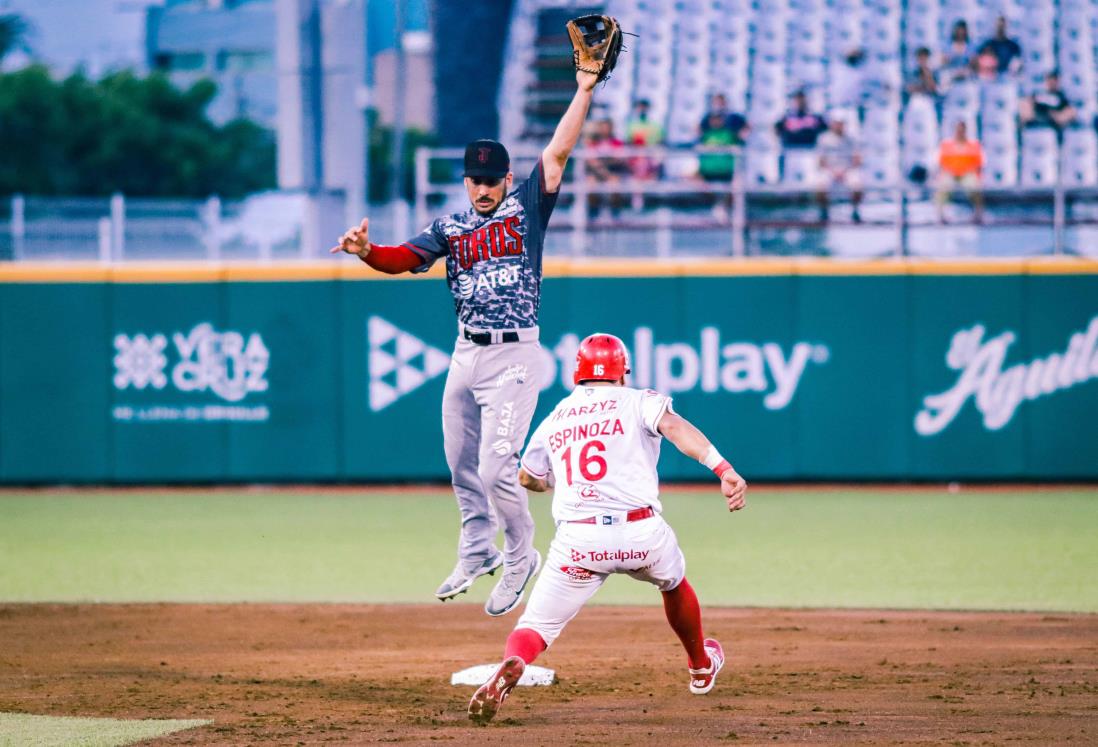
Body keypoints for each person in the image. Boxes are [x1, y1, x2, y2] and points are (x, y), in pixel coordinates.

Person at [331, 63, 604, 617]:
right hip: (466, 353)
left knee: (496, 468)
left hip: (515, 354)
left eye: (492, 179)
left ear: (506, 180)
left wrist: (582, 90)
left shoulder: (526, 210)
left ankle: (521, 556)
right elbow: (401, 259)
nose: (483, 188)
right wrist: (365, 252)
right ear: (465, 182)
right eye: (475, 180)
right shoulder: (449, 228)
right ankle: (477, 551)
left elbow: (556, 154)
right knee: (460, 463)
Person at [467, 333, 748, 724]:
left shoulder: (558, 416)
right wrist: (723, 468)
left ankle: (514, 662)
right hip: (641, 535)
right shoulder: (638, 400)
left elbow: (528, 478)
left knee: (535, 626)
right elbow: (676, 428)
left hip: (580, 543)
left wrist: (554, 482)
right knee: (673, 582)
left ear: (577, 374)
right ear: (622, 373)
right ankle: (701, 667)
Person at [816, 115, 863, 223]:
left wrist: (845, 171)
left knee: (857, 184)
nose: (839, 126)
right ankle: (824, 212)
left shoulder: (852, 139)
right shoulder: (823, 139)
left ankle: (855, 211)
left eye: (841, 123)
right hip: (829, 170)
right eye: (836, 123)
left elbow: (857, 159)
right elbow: (820, 161)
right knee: (820, 185)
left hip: (848, 169)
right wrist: (833, 171)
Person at [935, 120, 984, 223]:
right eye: (958, 130)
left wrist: (971, 173)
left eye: (962, 130)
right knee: (943, 185)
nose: (959, 132)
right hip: (951, 173)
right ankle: (940, 216)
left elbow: (978, 164)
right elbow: (942, 164)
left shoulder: (973, 145)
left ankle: (978, 214)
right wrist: (950, 171)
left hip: (967, 173)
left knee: (974, 185)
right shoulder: (946, 145)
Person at [940, 19, 974, 86]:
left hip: (965, 72)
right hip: (951, 72)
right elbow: (943, 62)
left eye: (963, 30)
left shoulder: (970, 46)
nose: (961, 32)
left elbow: (972, 63)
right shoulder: (948, 45)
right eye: (959, 30)